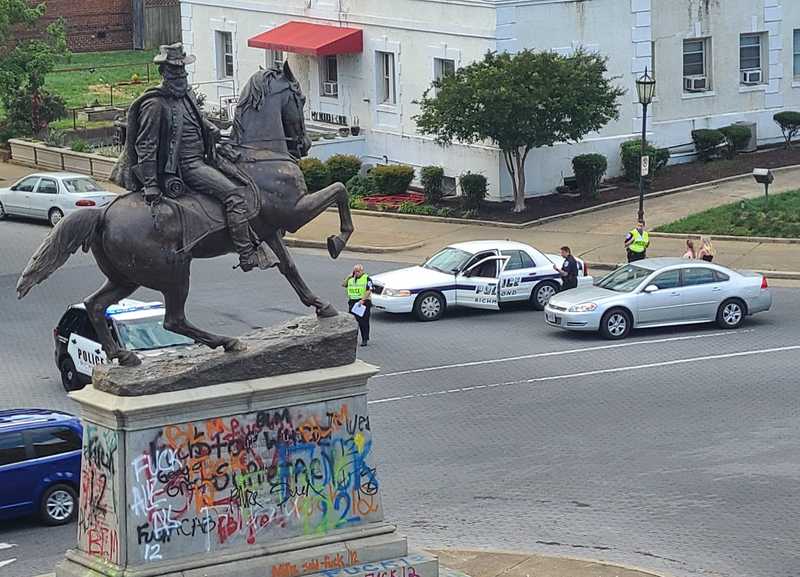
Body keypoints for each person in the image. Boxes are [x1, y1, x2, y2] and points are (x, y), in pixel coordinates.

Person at [124, 43, 260, 272]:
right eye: (175, 71)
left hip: (207, 156)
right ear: (163, 72)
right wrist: (150, 184)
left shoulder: (185, 94)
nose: (180, 75)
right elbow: (146, 144)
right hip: (187, 166)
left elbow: (196, 118)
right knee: (234, 196)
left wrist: (210, 127)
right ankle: (246, 253)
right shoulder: (155, 103)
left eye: (183, 70)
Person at [343, 264, 373, 346]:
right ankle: (351, 339)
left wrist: (363, 300)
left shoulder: (367, 278)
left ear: (362, 271)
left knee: (363, 322)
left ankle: (365, 339)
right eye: (355, 271)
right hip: (353, 302)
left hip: (363, 302)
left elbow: (369, 290)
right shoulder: (351, 278)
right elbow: (344, 284)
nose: (357, 273)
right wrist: (349, 276)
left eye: (358, 271)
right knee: (352, 321)